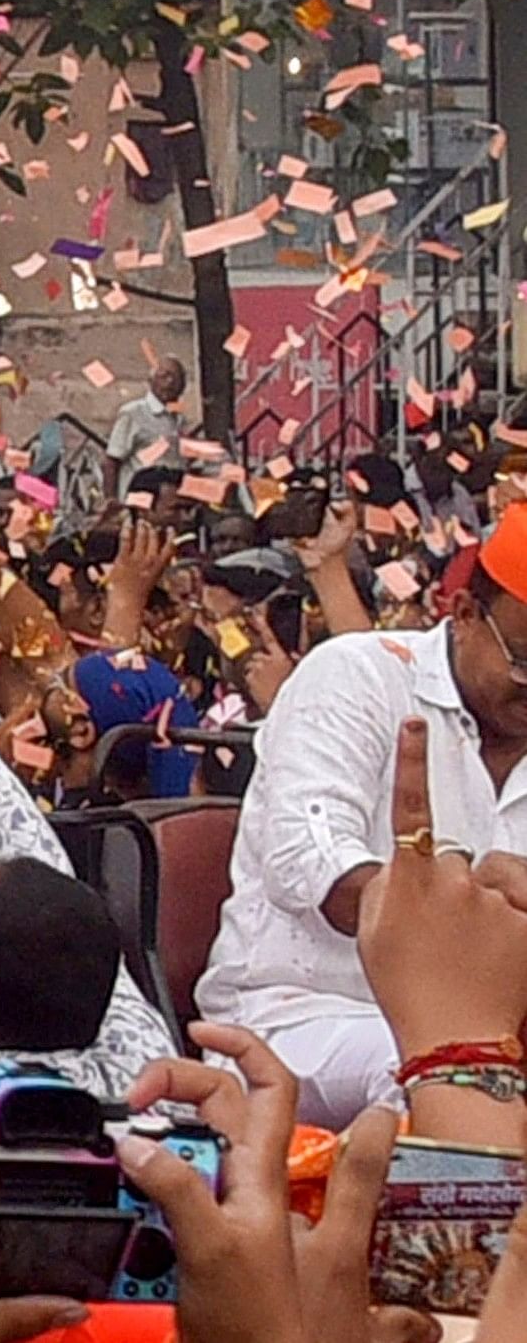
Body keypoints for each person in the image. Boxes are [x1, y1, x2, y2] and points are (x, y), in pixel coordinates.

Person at [196, 497, 527, 1125]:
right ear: (462, 614)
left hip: (498, 1024)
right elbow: (310, 867)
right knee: (458, 1079)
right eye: (525, 662)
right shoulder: (356, 676)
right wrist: (447, 910)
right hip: (305, 1013)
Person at [106, 356, 191, 484]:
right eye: (164, 376)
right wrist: (111, 499)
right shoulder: (133, 413)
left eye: (176, 378)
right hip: (141, 492)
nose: (170, 382)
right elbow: (113, 459)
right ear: (151, 380)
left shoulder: (179, 420)